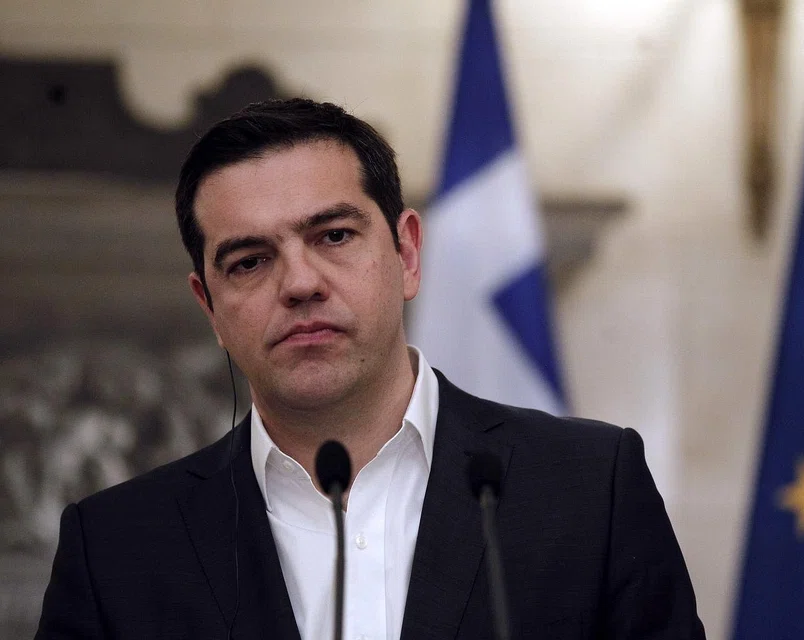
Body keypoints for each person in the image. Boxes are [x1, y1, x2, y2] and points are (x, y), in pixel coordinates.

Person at [35, 98, 705, 639]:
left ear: (407, 254)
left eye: (334, 236)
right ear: (208, 306)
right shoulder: (117, 547)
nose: (300, 283)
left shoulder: (589, 487)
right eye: (250, 261)